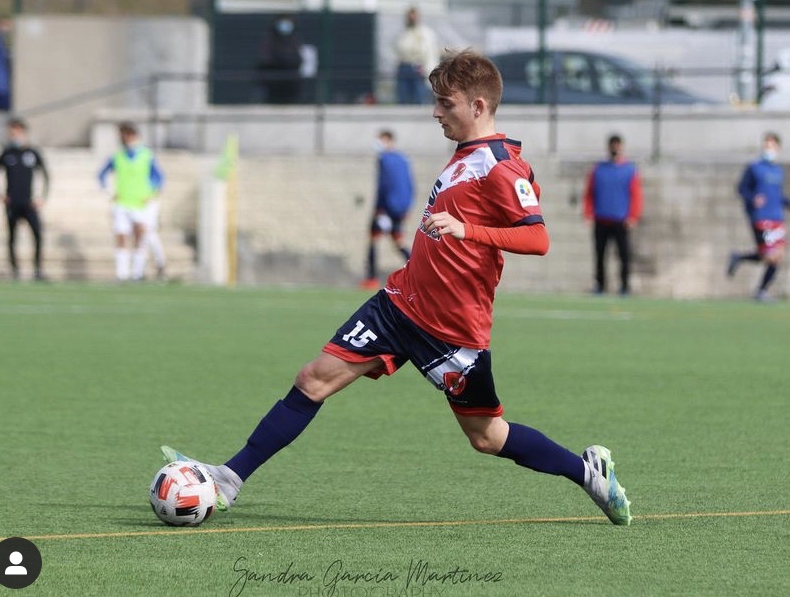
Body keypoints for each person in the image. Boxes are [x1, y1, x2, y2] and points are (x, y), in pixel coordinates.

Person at [161, 50, 632, 526]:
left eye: (445, 103)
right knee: (312, 380)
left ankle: (587, 472)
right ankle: (229, 478)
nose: (435, 112)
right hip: (399, 303)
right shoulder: (465, 155)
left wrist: (467, 230)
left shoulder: (501, 166)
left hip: (451, 329)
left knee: (487, 437)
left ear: (477, 105)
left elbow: (538, 239)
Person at [98, 122, 165, 282]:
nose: (125, 138)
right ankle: (122, 274)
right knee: (121, 237)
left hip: (140, 203)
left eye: (127, 135)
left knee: (139, 237)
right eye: (122, 135)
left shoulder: (146, 155)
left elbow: (159, 177)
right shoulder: (117, 156)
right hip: (122, 203)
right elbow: (101, 175)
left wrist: (152, 193)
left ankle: (137, 273)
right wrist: (108, 192)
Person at [727, 132, 790, 301]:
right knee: (771, 255)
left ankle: (741, 260)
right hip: (762, 218)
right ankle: (760, 291)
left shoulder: (778, 171)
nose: (768, 149)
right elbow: (741, 189)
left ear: (778, 148)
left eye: (771, 146)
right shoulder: (754, 168)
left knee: (775, 256)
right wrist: (752, 198)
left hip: (777, 218)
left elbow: (777, 196)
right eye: (766, 145)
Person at [583, 134, 644, 295]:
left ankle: (624, 286)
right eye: (613, 145)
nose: (615, 149)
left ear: (621, 147)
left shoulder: (629, 170)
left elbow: (636, 195)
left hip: (621, 220)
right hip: (601, 219)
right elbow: (589, 193)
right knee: (600, 255)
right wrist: (588, 213)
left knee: (624, 255)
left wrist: (633, 216)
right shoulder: (598, 169)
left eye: (617, 146)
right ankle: (600, 285)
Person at [0, 118, 49, 281]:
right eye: (11, 132)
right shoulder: (7, 153)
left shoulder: (32, 153)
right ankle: (15, 270)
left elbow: (45, 175)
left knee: (37, 234)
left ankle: (37, 270)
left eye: (16, 132)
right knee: (12, 237)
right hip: (12, 203)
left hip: (29, 203)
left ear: (22, 132)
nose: (13, 135)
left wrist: (41, 197)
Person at [361, 130, 414, 289]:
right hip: (400, 208)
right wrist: (406, 207)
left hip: (386, 208)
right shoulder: (403, 159)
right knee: (398, 240)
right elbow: (410, 185)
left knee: (373, 238)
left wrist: (379, 208)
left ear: (389, 140)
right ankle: (418, 271)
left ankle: (371, 278)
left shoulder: (384, 159)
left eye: (381, 140)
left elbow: (384, 185)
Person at [394, 7, 440, 105]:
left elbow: (430, 53)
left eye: (413, 17)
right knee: (402, 99)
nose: (411, 19)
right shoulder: (403, 33)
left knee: (419, 99)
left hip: (418, 68)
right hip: (404, 67)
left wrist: (428, 70)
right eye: (409, 17)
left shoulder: (426, 33)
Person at [257, 15, 303, 104]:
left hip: (290, 81)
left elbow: (299, 59)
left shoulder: (294, 40)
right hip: (274, 82)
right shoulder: (269, 40)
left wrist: (288, 61)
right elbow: (264, 60)